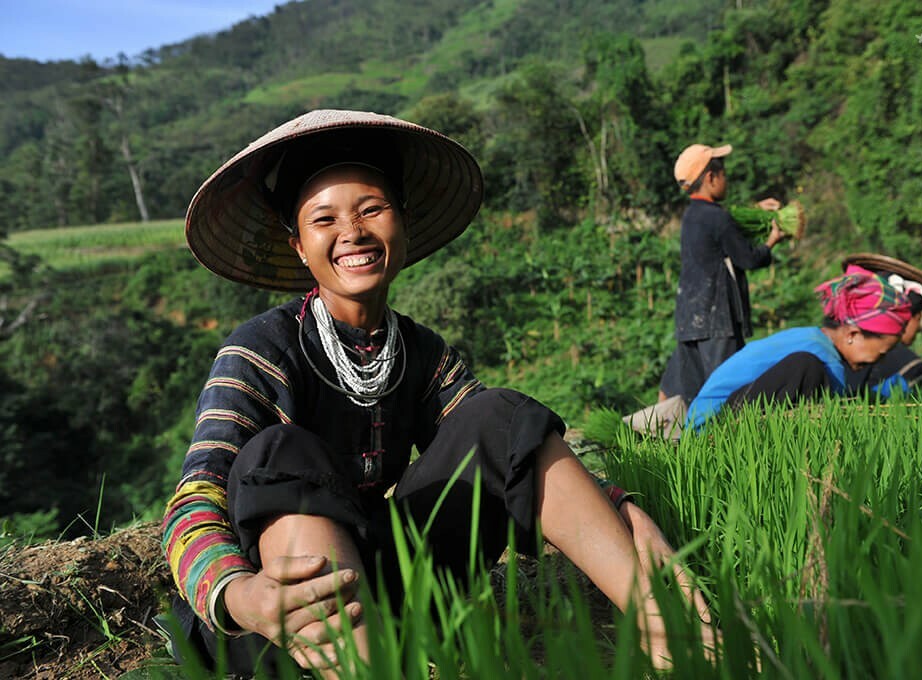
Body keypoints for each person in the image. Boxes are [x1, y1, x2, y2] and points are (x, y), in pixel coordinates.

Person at [161, 109, 713, 677]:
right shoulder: (261, 349)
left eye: (371, 209)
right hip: (277, 620)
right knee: (279, 453)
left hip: (384, 594)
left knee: (499, 412)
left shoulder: (420, 352)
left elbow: (514, 447)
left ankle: (679, 636)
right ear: (299, 246)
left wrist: (620, 507)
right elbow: (191, 501)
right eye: (324, 219)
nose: (352, 232)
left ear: (402, 221)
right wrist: (239, 595)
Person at [684, 265, 912, 432]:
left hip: (710, 418)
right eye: (881, 352)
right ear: (853, 335)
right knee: (806, 368)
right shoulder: (822, 357)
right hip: (710, 429)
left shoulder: (812, 337)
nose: (878, 360)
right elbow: (840, 407)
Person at [658, 142, 788, 407]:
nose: (726, 179)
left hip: (690, 318)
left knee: (684, 387)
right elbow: (748, 258)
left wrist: (754, 210)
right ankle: (720, 438)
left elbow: (722, 228)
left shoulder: (692, 215)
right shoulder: (718, 218)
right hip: (717, 318)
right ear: (710, 178)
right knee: (725, 389)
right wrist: (772, 241)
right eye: (724, 174)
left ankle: (662, 433)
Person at [841, 253, 922, 398]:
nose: (917, 330)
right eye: (918, 319)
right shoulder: (913, 369)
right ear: (908, 318)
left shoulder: (841, 346)